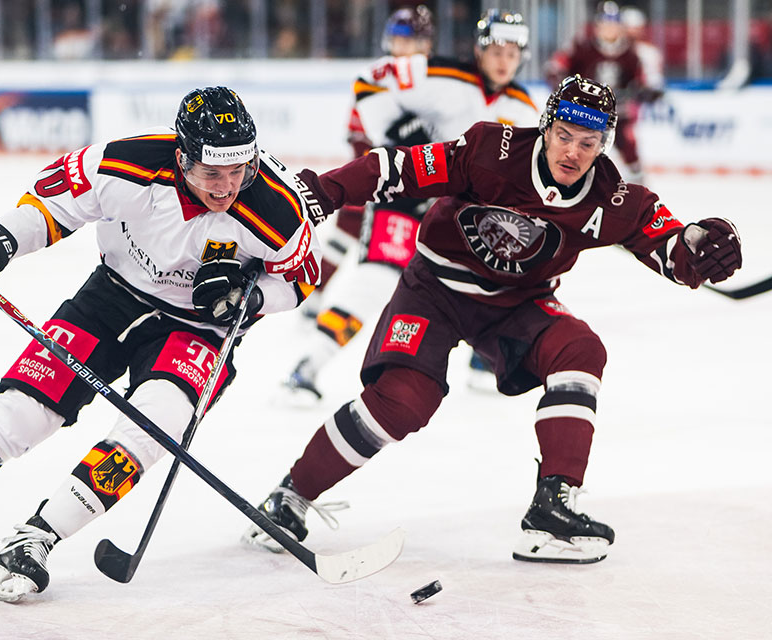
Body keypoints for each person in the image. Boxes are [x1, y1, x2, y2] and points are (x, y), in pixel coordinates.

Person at [0, 86, 322, 602]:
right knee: (22, 412)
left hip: (199, 327)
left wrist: (246, 299)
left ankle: (37, 538)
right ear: (183, 158)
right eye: (211, 173)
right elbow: (50, 207)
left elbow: (298, 280)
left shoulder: (279, 206)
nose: (227, 187)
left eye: (239, 171)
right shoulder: (124, 165)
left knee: (152, 424)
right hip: (110, 297)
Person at [244, 75, 742, 564]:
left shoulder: (613, 199)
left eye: (588, 142)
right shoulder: (491, 149)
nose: (572, 152)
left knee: (580, 349)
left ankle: (553, 506)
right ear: (545, 128)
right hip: (436, 289)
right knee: (401, 403)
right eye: (564, 136)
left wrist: (703, 245)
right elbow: (396, 166)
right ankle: (290, 495)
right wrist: (322, 192)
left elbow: (674, 248)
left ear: (604, 144)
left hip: (517, 305)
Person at [284, 9, 538, 401]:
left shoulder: (523, 107)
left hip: (456, 213)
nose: (504, 60)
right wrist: (396, 132)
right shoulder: (441, 73)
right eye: (497, 50)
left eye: (513, 52)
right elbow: (370, 81)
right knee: (375, 282)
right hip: (403, 196)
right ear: (479, 49)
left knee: (492, 279)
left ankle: (483, 358)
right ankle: (308, 366)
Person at [303, 4, 436, 328]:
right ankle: (315, 295)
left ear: (426, 45)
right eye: (397, 39)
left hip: (417, 183)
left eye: (410, 40)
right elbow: (360, 136)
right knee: (348, 233)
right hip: (378, 176)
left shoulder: (437, 80)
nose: (402, 47)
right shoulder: (376, 77)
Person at [545, 1, 654, 183]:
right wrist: (565, 88)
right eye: (604, 24)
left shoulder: (630, 53)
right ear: (597, 26)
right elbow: (556, 67)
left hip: (618, 112)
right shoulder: (582, 47)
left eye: (612, 25)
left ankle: (638, 184)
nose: (608, 29)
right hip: (585, 113)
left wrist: (642, 91)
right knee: (580, 146)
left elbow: (641, 80)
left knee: (628, 145)